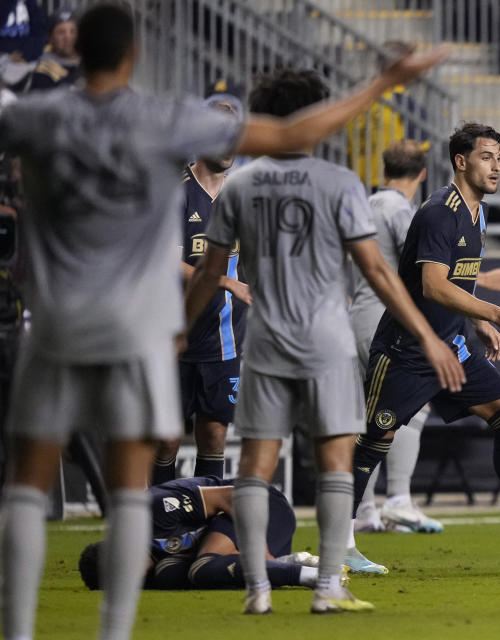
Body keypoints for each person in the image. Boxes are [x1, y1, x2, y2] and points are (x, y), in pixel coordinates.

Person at [0, 2, 446, 637]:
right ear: (134, 56)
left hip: (54, 326)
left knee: (24, 487)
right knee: (131, 492)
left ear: (72, 50)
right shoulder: (164, 121)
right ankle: (115, 631)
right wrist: (383, 82)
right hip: (136, 330)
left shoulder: (34, 117)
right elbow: (291, 137)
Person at [184, 69, 463, 615]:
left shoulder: (240, 185)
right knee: (334, 463)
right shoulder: (339, 182)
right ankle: (329, 585)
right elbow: (378, 273)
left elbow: (208, 272)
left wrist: (177, 330)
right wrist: (427, 334)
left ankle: (258, 588)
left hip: (264, 338)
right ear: (316, 115)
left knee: (255, 464)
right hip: (324, 338)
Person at [349, 122, 500, 571]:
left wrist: (473, 320)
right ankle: (340, 545)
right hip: (407, 350)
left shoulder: (478, 212)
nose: (497, 167)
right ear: (461, 161)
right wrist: (494, 313)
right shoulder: (437, 211)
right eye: (488, 157)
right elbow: (432, 285)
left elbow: (458, 278)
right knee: (375, 441)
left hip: (450, 346)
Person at [350, 139, 500, 538]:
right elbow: (426, 271)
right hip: (401, 321)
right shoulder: (413, 211)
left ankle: (366, 513)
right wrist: (486, 299)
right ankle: (397, 501)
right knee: (400, 417)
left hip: (360, 312)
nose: (495, 166)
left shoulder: (365, 205)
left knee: (372, 417)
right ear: (424, 172)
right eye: (487, 158)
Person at [152, 96, 251, 485]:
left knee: (214, 436)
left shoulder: (242, 194)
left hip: (225, 341)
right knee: (167, 439)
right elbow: (165, 262)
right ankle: (159, 525)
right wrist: (221, 279)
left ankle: (202, 529)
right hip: (175, 336)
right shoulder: (177, 191)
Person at [78, 476, 324, 591]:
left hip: (260, 507)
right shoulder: (152, 569)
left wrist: (263, 556)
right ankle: (283, 565)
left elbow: (233, 497)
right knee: (168, 575)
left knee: (202, 568)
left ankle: (307, 575)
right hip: (236, 545)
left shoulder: (152, 509)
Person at [23, 8, 79, 92]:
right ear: (50, 38)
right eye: (61, 32)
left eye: (73, 31)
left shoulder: (91, 61)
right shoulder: (42, 67)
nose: (68, 38)